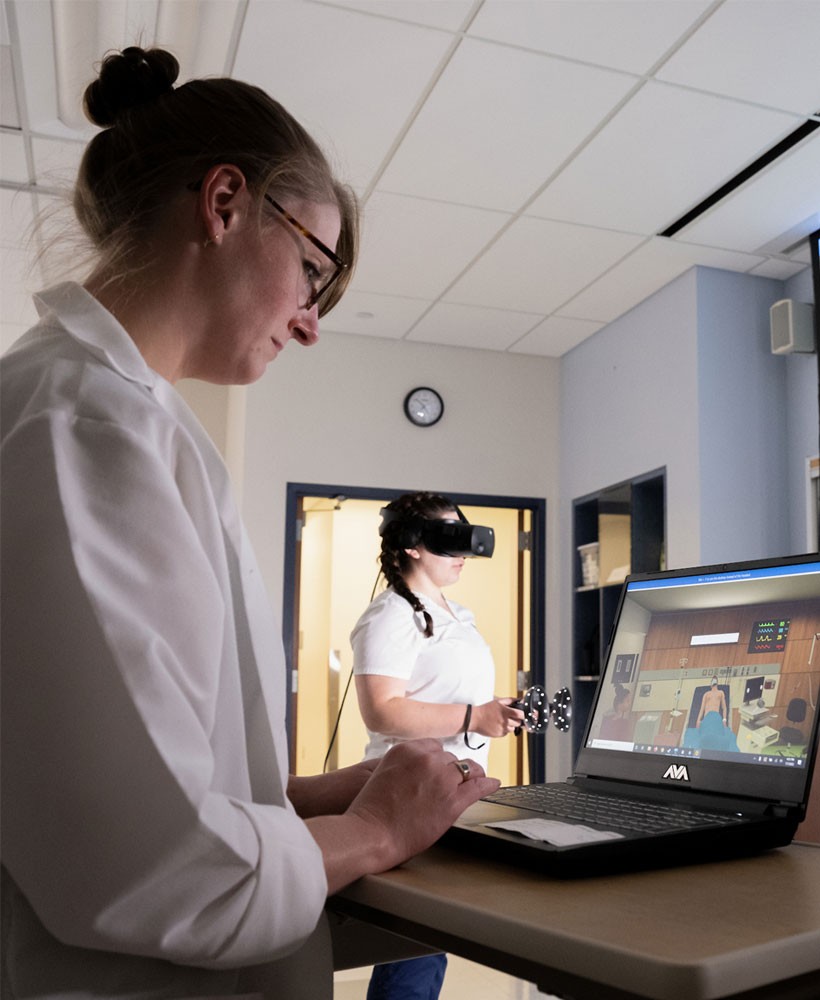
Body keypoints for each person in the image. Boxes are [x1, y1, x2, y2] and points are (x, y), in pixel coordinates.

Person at [0, 47, 500, 999]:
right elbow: (147, 868)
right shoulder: (81, 426)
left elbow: (173, 779)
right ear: (224, 204)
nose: (311, 322)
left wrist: (335, 795)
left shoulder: (132, 422)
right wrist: (378, 832)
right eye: (312, 269)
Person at [351, 491, 524, 999]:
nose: (462, 554)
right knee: (414, 948)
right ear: (411, 545)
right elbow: (382, 709)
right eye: (448, 540)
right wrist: (475, 715)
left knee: (426, 947)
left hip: (449, 795)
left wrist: (494, 709)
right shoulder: (389, 616)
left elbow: (444, 695)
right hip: (404, 796)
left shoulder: (454, 614)